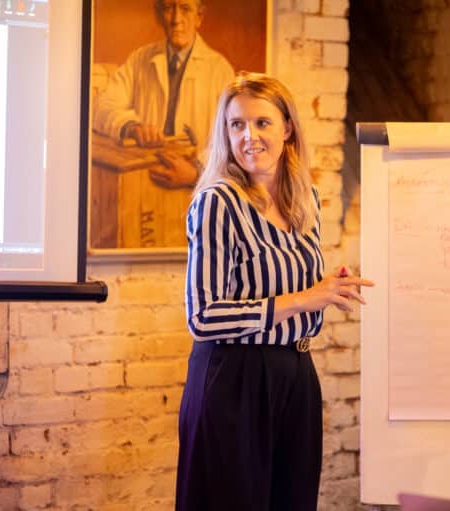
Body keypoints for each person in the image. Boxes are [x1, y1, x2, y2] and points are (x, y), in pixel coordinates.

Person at [176, 73, 374, 511]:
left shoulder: (306, 200)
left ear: (287, 128)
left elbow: (299, 292)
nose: (249, 137)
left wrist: (328, 289)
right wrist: (307, 298)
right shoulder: (218, 203)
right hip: (233, 379)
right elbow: (203, 316)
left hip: (296, 375)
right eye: (237, 125)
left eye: (262, 123)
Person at [93, 0, 234, 189]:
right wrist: (131, 126)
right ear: (159, 14)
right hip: (143, 180)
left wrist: (196, 173)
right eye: (169, 8)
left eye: (185, 9)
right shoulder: (139, 60)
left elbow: (233, 139)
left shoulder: (219, 70)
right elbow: (103, 105)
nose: (176, 19)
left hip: (197, 189)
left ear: (199, 17)